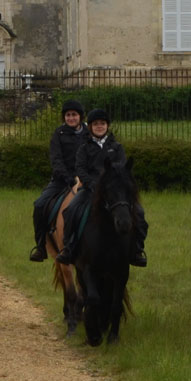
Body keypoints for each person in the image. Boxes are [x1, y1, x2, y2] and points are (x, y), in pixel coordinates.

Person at [55, 108, 148, 268]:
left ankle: (137, 250)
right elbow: (80, 168)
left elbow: (122, 169)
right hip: (90, 190)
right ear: (90, 126)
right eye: (96, 124)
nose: (99, 127)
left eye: (103, 124)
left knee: (139, 213)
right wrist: (92, 184)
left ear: (107, 126)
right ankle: (69, 248)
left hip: (113, 192)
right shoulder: (84, 147)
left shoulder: (117, 147)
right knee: (70, 211)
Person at [29, 99, 85, 261]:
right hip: (62, 181)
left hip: (86, 180)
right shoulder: (58, 134)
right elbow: (56, 160)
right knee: (39, 205)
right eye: (68, 115)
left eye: (74, 115)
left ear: (80, 116)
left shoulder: (89, 133)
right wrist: (68, 179)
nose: (71, 118)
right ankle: (40, 246)